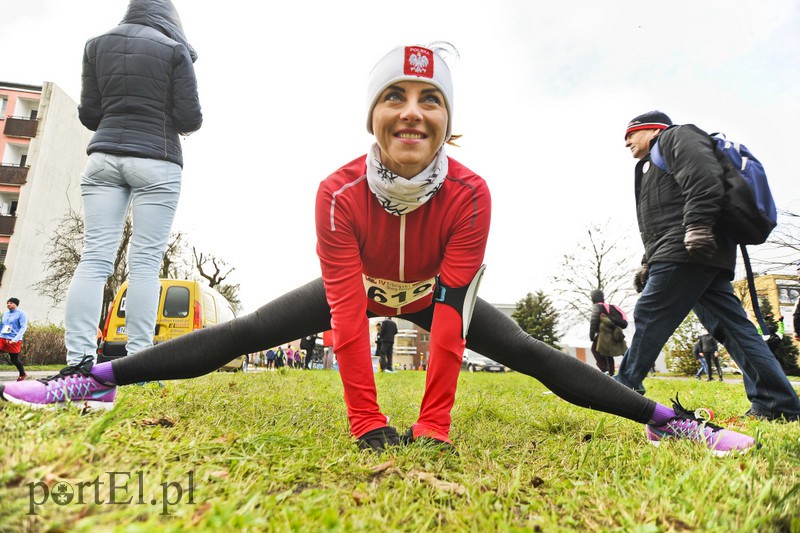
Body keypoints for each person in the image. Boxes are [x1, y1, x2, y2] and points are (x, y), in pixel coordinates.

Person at [1, 44, 756, 455]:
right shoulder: (336, 192)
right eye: (396, 96)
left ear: (445, 119)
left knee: (539, 356)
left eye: (431, 100)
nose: (412, 112)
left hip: (431, 292)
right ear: (374, 114)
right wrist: (368, 423)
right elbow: (345, 317)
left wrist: (429, 427)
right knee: (235, 332)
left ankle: (674, 419)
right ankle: (84, 378)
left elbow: (453, 322)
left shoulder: (470, 192)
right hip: (359, 284)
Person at [616, 110, 800, 421]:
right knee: (732, 328)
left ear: (650, 129)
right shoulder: (651, 165)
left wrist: (698, 226)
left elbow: (702, 176)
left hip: (687, 248)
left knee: (649, 313)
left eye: (630, 135)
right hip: (687, 249)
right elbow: (660, 220)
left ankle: (623, 387)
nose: (627, 143)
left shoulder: (676, 136)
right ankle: (777, 404)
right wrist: (648, 263)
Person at [63, 0, 202, 367]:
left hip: (104, 158)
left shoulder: (96, 45)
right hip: (157, 160)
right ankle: (139, 361)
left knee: (93, 259)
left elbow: (91, 114)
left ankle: (79, 360)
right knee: (144, 263)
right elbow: (191, 118)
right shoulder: (175, 50)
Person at [588, 289, 627, 376]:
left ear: (593, 298)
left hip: (604, 333)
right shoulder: (612, 307)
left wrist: (592, 336)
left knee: (594, 350)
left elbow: (593, 321)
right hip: (617, 333)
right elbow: (624, 323)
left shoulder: (597, 306)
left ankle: (605, 370)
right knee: (621, 352)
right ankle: (613, 372)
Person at [0, 298, 28, 381]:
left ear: (16, 304)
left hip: (13, 339)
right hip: (2, 337)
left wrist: (15, 339)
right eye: (7, 303)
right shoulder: (5, 313)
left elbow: (23, 327)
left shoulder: (21, 314)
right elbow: (2, 325)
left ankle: (23, 374)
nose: (8, 304)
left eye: (11, 303)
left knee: (14, 360)